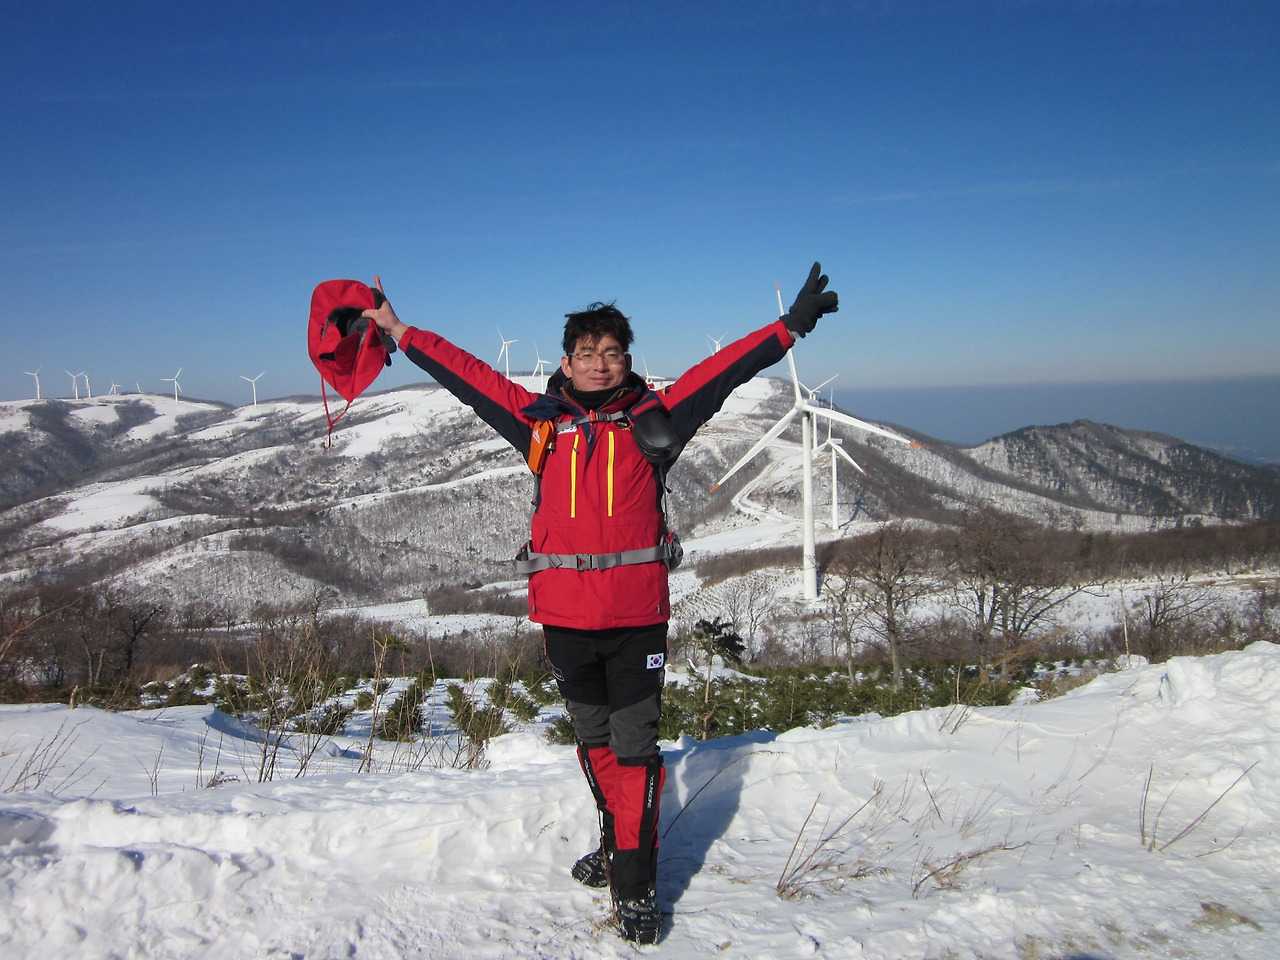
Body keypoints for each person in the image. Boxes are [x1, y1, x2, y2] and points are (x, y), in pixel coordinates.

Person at [364, 263, 838, 943]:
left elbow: (724, 371)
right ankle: (619, 842)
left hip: (637, 618)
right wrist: (401, 332)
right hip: (564, 620)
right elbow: (470, 376)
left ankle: (636, 884)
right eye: (587, 353)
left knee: (636, 749)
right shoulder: (538, 424)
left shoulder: (657, 420)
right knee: (594, 745)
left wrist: (789, 328)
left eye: (612, 353)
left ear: (627, 361)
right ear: (566, 363)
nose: (600, 363)